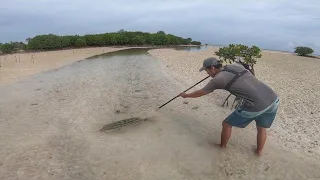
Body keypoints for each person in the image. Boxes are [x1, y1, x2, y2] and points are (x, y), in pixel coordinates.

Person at [179, 57, 279, 156]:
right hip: (273, 99)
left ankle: (222, 147)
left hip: (256, 105)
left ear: (213, 68)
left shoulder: (218, 80)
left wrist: (186, 95)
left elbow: (201, 92)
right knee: (261, 128)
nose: (207, 74)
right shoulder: (235, 66)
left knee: (226, 124)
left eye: (207, 71)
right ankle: (259, 152)